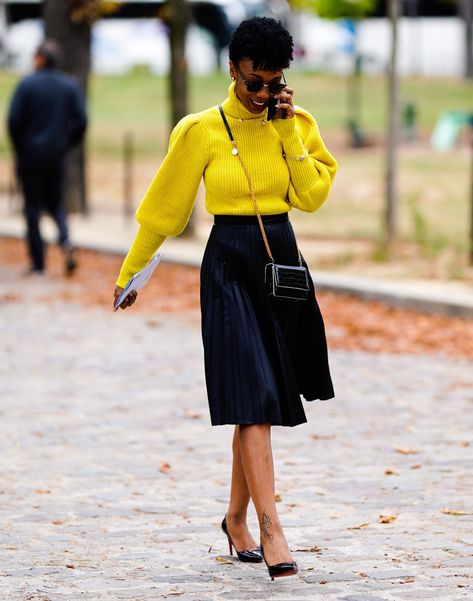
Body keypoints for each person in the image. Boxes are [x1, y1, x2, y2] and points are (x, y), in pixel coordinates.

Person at [113, 17, 337, 580]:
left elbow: (311, 197)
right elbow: (165, 207)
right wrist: (133, 270)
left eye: (273, 84)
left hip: (280, 261)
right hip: (229, 266)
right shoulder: (200, 130)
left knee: (260, 398)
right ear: (231, 69)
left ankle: (235, 517)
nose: (262, 95)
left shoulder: (297, 124)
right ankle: (272, 528)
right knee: (254, 394)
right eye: (252, 84)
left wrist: (286, 132)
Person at [7, 39, 87, 275]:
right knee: (55, 203)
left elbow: (13, 120)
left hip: (30, 154)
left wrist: (19, 146)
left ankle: (38, 261)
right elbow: (81, 121)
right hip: (56, 154)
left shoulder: (27, 85)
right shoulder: (69, 86)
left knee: (32, 207)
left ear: (40, 59)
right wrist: (67, 143)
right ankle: (65, 241)